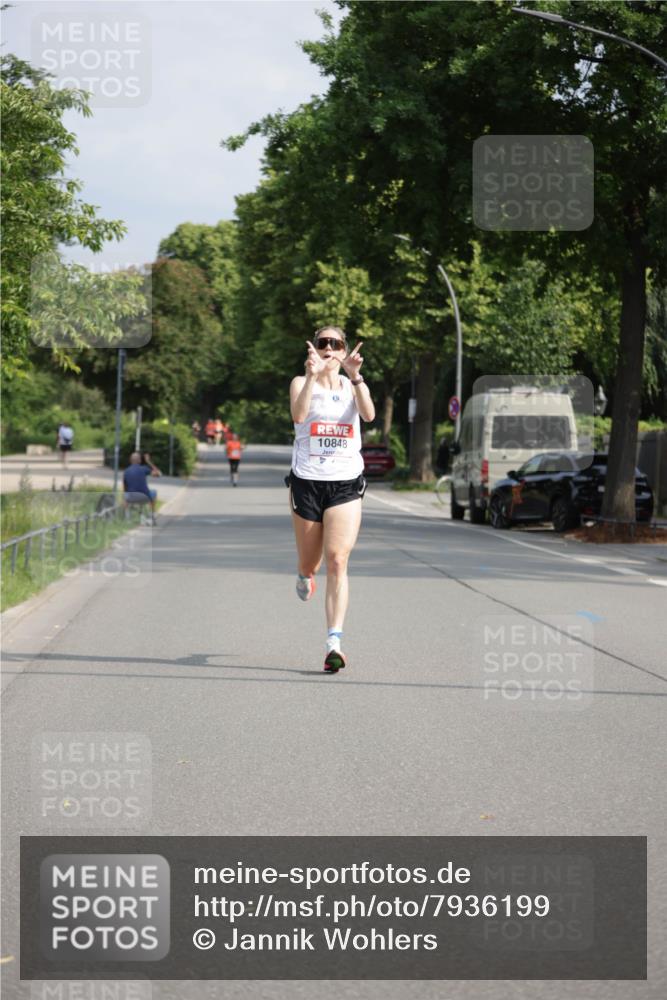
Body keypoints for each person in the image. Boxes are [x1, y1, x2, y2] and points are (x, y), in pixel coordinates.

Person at [288, 325, 375, 674]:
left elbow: (368, 415)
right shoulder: (299, 381)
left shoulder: (352, 385)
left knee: (338, 559)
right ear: (315, 349)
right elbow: (298, 415)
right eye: (322, 343)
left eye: (335, 343)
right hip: (308, 482)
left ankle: (333, 643)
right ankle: (303, 574)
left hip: (345, 484)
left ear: (343, 350)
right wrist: (311, 377)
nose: (328, 349)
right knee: (312, 564)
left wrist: (356, 378)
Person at [122, 451, 161, 525]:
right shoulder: (144, 469)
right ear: (139, 460)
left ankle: (127, 519)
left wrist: (124, 499)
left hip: (131, 498)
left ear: (130, 460)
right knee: (154, 492)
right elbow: (158, 474)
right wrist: (148, 461)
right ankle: (152, 515)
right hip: (145, 497)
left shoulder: (126, 471)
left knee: (125, 496)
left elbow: (124, 488)